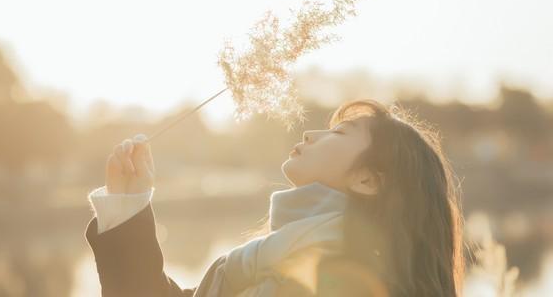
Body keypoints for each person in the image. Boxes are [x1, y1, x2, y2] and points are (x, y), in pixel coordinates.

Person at [84, 99, 465, 296]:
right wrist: (128, 202)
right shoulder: (274, 260)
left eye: (341, 133)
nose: (311, 135)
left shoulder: (349, 282)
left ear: (367, 179)